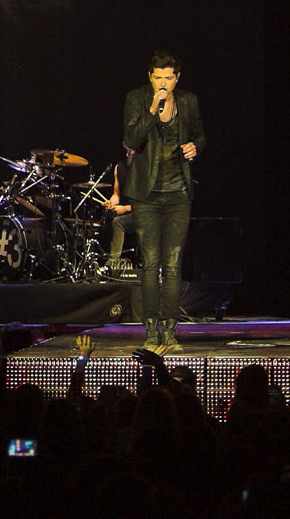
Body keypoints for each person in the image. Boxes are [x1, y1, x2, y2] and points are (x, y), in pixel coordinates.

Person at [122, 50, 206, 353]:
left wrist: (195, 147)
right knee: (150, 263)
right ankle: (150, 330)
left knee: (172, 264)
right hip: (145, 194)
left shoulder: (188, 101)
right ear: (150, 77)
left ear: (177, 78)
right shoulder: (136, 99)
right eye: (158, 78)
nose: (163, 83)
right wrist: (152, 109)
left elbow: (200, 136)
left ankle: (170, 331)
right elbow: (132, 139)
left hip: (178, 192)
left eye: (168, 78)